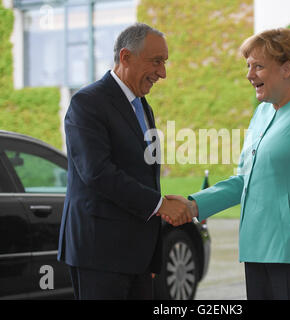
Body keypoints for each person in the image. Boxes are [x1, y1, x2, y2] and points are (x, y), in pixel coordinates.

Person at [163, 28, 290, 300]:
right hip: (257, 248)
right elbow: (245, 180)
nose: (249, 75)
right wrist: (193, 205)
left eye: (258, 66)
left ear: (287, 68)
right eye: (248, 66)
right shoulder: (261, 113)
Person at [57, 23, 193, 300]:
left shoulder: (144, 106)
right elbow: (97, 173)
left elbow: (144, 175)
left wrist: (150, 256)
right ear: (125, 57)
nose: (163, 73)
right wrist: (160, 205)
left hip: (138, 258)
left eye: (164, 63)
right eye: (156, 62)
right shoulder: (87, 103)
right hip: (100, 254)